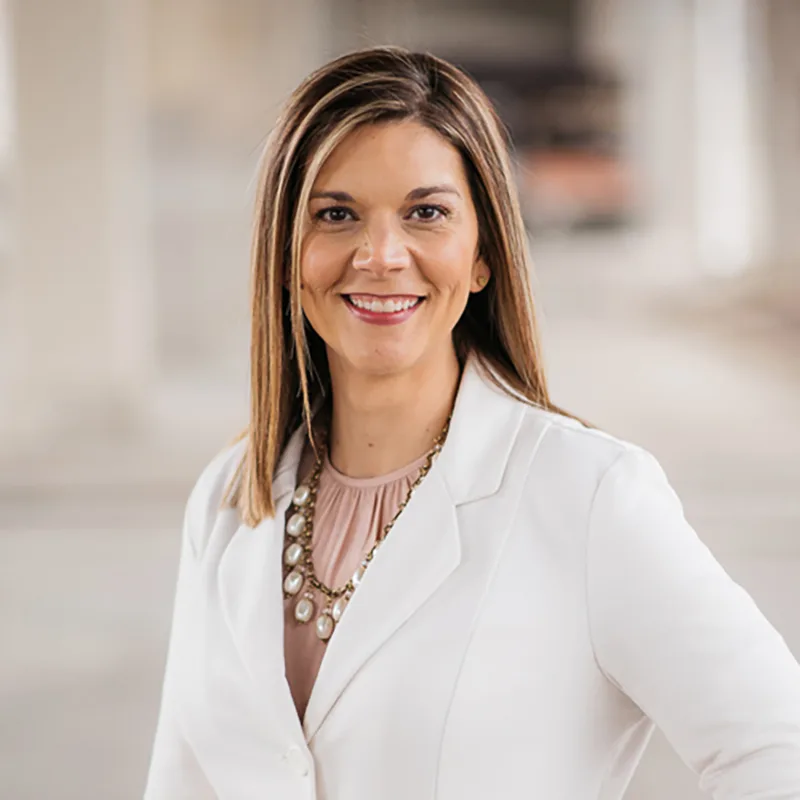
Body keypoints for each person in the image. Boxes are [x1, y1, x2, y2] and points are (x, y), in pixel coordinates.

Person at [143, 47, 800, 800]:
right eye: (336, 214)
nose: (382, 255)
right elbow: (180, 783)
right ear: (286, 253)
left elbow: (777, 747)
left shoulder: (588, 498)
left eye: (426, 213)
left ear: (481, 252)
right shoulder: (229, 499)